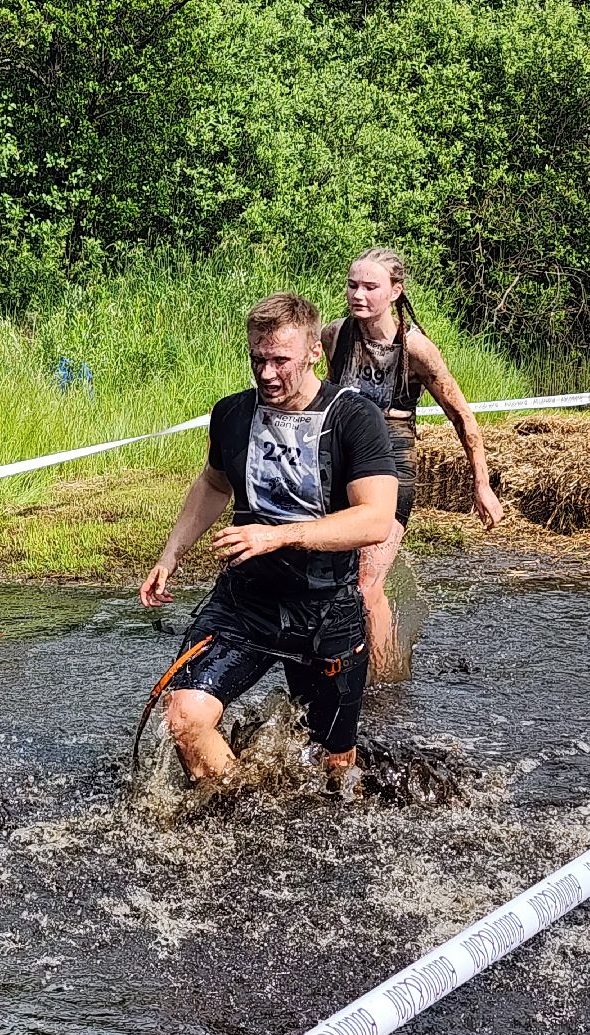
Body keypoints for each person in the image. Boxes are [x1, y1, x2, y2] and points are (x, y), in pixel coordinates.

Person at [139, 293, 398, 779]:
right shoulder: (232, 414)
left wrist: (278, 536)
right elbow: (214, 483)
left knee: (335, 769)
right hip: (246, 600)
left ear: (313, 353)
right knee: (184, 718)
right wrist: (171, 554)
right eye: (257, 359)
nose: (267, 374)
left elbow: (375, 519)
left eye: (281, 360)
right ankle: (241, 817)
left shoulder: (354, 419)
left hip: (324, 609)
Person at [323, 248, 503, 680]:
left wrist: (482, 484)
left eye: (370, 287)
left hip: (392, 460)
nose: (358, 294)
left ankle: (385, 684)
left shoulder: (415, 348)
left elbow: (462, 416)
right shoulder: (335, 336)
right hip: (342, 456)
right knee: (333, 580)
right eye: (353, 285)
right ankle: (340, 669)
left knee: (367, 585)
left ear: (395, 291)